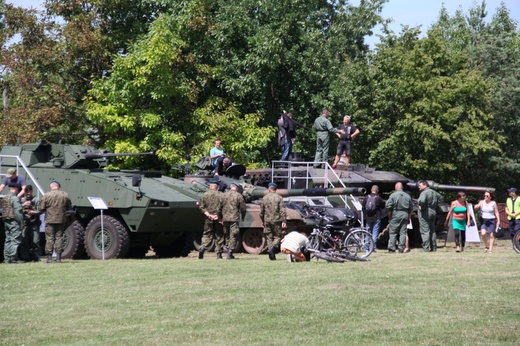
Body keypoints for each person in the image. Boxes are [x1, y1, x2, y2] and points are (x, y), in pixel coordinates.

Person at [30, 180, 72, 263]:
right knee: (59, 238)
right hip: (61, 220)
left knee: (50, 238)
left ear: (51, 187)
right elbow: (69, 208)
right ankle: (59, 257)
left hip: (50, 220)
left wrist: (33, 212)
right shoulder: (65, 195)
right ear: (58, 187)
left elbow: (41, 209)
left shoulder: (46, 196)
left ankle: (49, 258)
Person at [259, 182, 287, 260]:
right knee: (278, 236)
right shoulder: (279, 198)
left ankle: (271, 254)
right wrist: (284, 221)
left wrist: (262, 220)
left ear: (269, 188)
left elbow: (261, 211)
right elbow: (282, 211)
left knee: (269, 237)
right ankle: (272, 249)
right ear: (276, 189)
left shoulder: (264, 198)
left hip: (267, 220)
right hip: (276, 220)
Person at [198, 179, 224, 259]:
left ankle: (202, 248)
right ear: (217, 186)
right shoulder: (221, 195)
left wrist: (209, 215)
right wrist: (217, 215)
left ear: (210, 186)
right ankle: (219, 254)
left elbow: (201, 207)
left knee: (207, 234)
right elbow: (224, 207)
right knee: (219, 235)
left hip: (208, 218)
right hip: (218, 218)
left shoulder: (204, 195)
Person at [220, 181, 246, 259]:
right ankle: (230, 251)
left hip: (225, 218)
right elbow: (243, 208)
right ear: (237, 187)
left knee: (227, 234)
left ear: (231, 187)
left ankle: (227, 248)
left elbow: (219, 207)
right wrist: (243, 216)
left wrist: (220, 218)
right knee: (233, 235)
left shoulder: (224, 195)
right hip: (234, 218)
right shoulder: (238, 196)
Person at [385, 182, 413, 253]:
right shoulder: (407, 196)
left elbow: (388, 206)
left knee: (393, 232)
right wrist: (409, 218)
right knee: (403, 232)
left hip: (396, 214)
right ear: (402, 187)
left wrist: (389, 216)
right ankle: (401, 248)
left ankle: (392, 248)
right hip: (405, 214)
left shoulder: (393, 195)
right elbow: (410, 208)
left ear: (396, 187)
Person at [417, 180, 443, 252]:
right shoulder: (433, 192)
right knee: (432, 230)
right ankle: (433, 247)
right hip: (433, 211)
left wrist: (422, 207)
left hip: (425, 212)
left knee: (425, 230)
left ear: (425, 185)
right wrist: (435, 205)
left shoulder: (424, 193)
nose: (419, 186)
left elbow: (421, 201)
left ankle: (426, 248)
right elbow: (441, 198)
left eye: (420, 185)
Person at [2, 183, 24, 263]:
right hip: (14, 222)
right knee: (15, 240)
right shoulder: (15, 198)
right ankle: (13, 258)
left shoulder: (5, 198)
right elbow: (18, 212)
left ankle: (7, 258)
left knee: (8, 240)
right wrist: (21, 223)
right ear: (16, 188)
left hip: (6, 221)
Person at [20, 185, 42, 262]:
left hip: (34, 223)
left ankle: (36, 256)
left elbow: (40, 211)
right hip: (25, 223)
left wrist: (33, 212)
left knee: (35, 241)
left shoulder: (36, 200)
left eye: (30, 191)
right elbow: (17, 211)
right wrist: (23, 207)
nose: (28, 193)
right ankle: (25, 257)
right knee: (24, 241)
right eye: (27, 191)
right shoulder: (22, 200)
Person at [361, 185, 385, 252]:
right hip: (376, 218)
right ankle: (372, 248)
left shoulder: (366, 197)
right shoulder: (378, 198)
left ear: (371, 190)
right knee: (375, 234)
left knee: (367, 233)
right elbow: (383, 206)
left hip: (368, 218)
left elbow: (363, 207)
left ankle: (366, 248)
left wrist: (366, 215)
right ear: (377, 190)